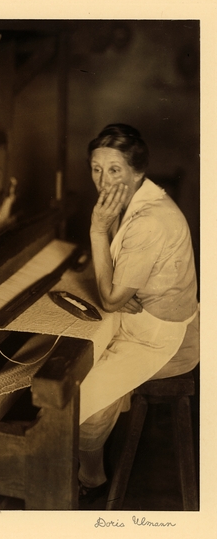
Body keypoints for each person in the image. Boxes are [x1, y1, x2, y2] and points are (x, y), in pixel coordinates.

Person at [77, 124, 199, 502]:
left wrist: (97, 232)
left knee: (81, 389)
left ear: (137, 171)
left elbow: (112, 299)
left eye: (114, 170)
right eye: (96, 169)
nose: (103, 180)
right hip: (146, 321)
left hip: (167, 340)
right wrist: (117, 292)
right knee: (78, 355)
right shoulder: (139, 201)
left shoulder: (148, 219)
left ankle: (90, 478)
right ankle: (90, 463)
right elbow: (116, 291)